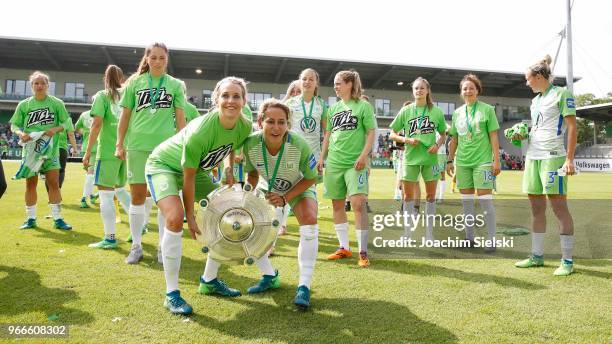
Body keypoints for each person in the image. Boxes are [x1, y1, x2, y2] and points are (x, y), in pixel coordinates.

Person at [145, 76, 252, 315]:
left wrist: (228, 168)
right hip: (164, 165)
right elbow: (188, 177)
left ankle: (209, 280)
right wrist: (191, 216)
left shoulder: (245, 124)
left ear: (244, 100)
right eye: (225, 96)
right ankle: (171, 294)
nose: (231, 101)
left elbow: (231, 144)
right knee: (175, 218)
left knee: (227, 212)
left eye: (236, 96)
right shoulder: (200, 131)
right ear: (216, 99)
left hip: (198, 169)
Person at [242, 98, 319, 309]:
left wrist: (285, 198)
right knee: (248, 226)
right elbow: (251, 174)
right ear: (260, 122)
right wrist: (250, 195)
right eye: (271, 121)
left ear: (288, 124)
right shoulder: (250, 143)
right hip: (269, 188)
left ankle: (304, 285)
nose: (276, 127)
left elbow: (311, 177)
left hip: (299, 186)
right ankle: (268, 275)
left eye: (282, 122)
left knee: (310, 220)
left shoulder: (298, 144)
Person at [116, 42, 187, 264]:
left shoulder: (175, 85)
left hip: (165, 149)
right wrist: (119, 143)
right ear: (146, 59)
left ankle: (161, 247)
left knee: (163, 199)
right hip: (137, 146)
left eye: (162, 58)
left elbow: (181, 118)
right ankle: (136, 246)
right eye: (153, 57)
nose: (157, 62)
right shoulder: (134, 83)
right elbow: (125, 117)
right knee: (137, 197)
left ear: (167, 60)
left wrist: (183, 144)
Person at [513, 55, 577, 276]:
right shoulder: (535, 100)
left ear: (538, 76)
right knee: (536, 209)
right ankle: (537, 256)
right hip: (533, 157)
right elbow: (538, 128)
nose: (526, 83)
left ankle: (567, 261)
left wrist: (569, 159)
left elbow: (572, 128)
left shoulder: (562, 94)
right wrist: (522, 134)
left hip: (554, 157)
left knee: (559, 209)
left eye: (528, 79)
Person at [321, 70, 377, 268]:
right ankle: (344, 247)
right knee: (337, 205)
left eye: (339, 83)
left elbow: (371, 132)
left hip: (355, 163)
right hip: (334, 163)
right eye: (335, 83)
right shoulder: (333, 108)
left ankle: (363, 251)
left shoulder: (363, 106)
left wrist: (363, 156)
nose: (335, 87)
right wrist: (322, 158)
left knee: (358, 204)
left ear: (350, 84)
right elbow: (328, 135)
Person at [10, 71, 73, 230]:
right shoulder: (24, 105)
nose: (39, 86)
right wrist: (20, 133)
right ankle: (30, 219)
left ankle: (58, 219)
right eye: (36, 83)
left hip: (51, 150)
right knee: (30, 184)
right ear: (31, 86)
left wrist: (54, 129)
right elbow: (14, 125)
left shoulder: (56, 103)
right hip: (31, 151)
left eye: (42, 83)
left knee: (54, 183)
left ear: (47, 86)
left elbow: (67, 123)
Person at [446, 74, 501, 250]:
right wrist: (449, 160)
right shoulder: (457, 113)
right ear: (461, 93)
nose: (468, 91)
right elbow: (454, 139)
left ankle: (491, 240)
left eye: (471, 88)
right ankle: (469, 238)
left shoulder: (487, 110)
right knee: (467, 203)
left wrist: (496, 161)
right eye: (465, 89)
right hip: (462, 163)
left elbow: (493, 136)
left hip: (483, 162)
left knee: (485, 201)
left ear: (477, 90)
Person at [389, 77, 446, 242]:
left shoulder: (436, 112)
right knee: (407, 197)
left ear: (427, 91)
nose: (418, 91)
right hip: (410, 158)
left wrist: (437, 144)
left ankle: (429, 234)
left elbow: (443, 134)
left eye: (422, 88)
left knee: (430, 196)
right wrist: (406, 140)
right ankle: (407, 233)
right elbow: (392, 133)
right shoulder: (406, 111)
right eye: (416, 88)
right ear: (413, 91)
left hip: (430, 158)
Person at [84, 65, 132, 250]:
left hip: (107, 152)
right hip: (126, 151)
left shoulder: (102, 96)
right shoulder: (128, 96)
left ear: (105, 78)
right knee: (120, 189)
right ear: (121, 78)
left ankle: (110, 237)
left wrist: (88, 151)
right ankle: (140, 223)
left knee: (105, 195)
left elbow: (96, 125)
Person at [281, 68, 328, 236]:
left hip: (312, 158)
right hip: (291, 155)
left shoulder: (321, 104)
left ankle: (308, 229)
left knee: (310, 192)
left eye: (310, 79)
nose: (307, 82)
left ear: (316, 83)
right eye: (304, 79)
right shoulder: (290, 104)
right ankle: (281, 226)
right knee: (284, 191)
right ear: (299, 82)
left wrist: (322, 157)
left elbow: (327, 132)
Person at [75, 109, 98, 208]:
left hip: (85, 148)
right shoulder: (102, 113)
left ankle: (92, 195)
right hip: (96, 148)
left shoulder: (84, 114)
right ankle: (84, 198)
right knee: (91, 175)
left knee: (89, 174)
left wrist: (85, 133)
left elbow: (76, 128)